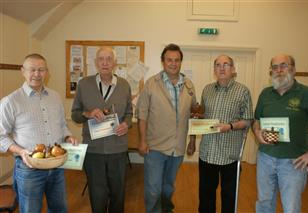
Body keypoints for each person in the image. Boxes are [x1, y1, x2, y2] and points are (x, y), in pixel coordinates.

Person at [0, 53, 78, 213]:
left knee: (59, 209)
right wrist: (21, 151)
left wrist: (68, 136)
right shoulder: (11, 101)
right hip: (29, 169)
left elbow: (62, 125)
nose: (37, 74)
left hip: (57, 166)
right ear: (23, 71)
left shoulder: (55, 97)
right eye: (32, 69)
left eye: (41, 70)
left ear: (47, 72)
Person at [253, 54, 308, 213]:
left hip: (293, 163)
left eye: (283, 65)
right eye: (275, 67)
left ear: (293, 69)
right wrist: (256, 131)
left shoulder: (307, 94)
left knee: (290, 208)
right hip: (265, 158)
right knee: (264, 204)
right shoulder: (266, 94)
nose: (279, 70)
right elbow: (257, 120)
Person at [187, 55, 253, 213]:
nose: (222, 68)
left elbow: (248, 120)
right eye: (218, 65)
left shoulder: (242, 91)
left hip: (230, 154)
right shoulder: (207, 89)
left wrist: (229, 126)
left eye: (226, 64)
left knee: (229, 197)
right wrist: (193, 138)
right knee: (206, 196)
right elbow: (203, 116)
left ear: (233, 69)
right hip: (207, 153)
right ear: (214, 70)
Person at [136, 43, 196, 213]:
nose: (173, 63)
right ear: (163, 61)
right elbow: (142, 114)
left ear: (181, 62)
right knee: (153, 188)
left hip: (177, 148)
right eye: (169, 60)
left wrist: (192, 141)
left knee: (168, 186)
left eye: (177, 60)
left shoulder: (189, 86)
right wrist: (142, 141)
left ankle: (166, 209)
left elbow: (194, 116)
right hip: (155, 146)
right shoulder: (151, 84)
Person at [71, 46, 132, 213]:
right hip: (93, 150)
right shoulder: (84, 84)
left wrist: (127, 124)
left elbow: (129, 113)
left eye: (109, 59)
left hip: (117, 149)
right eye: (101, 59)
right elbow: (75, 114)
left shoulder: (124, 85)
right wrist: (89, 113)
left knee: (118, 193)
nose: (105, 63)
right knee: (97, 193)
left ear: (115, 63)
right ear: (95, 62)